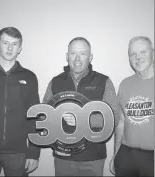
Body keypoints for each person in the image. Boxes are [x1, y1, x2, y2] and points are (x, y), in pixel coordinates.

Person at [43, 37, 120, 176]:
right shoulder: (55, 82)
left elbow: (114, 116)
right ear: (67, 56)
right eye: (73, 53)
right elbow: (44, 116)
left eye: (83, 54)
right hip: (63, 157)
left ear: (90, 57)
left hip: (93, 158)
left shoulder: (104, 81)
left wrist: (83, 121)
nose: (77, 59)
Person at [0, 27, 40, 176]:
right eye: (5, 42)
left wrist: (34, 152)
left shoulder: (29, 77)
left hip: (18, 152)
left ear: (20, 48)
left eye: (14, 44)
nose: (9, 48)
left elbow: (35, 116)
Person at [110, 36, 154, 177]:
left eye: (143, 52)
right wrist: (116, 155)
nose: (138, 57)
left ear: (152, 52)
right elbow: (121, 123)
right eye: (132, 54)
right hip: (126, 155)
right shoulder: (125, 84)